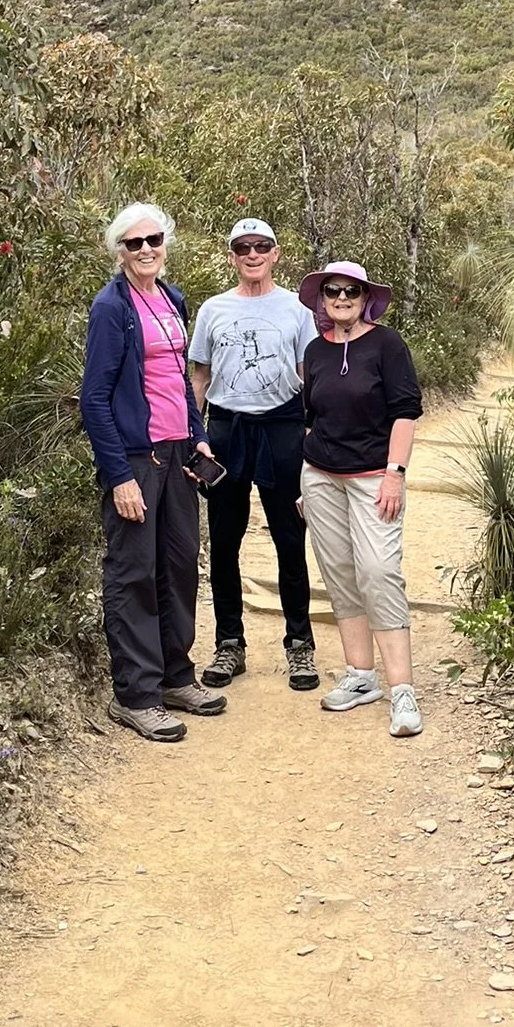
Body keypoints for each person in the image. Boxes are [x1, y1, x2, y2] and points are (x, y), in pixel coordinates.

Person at [80, 203, 227, 743]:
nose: (146, 250)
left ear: (166, 243)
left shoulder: (171, 299)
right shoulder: (111, 308)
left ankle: (174, 676)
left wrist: (199, 435)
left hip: (176, 454)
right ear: (119, 250)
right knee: (133, 572)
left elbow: (180, 381)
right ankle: (136, 695)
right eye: (134, 243)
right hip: (136, 460)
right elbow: (94, 399)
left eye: (153, 240)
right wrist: (118, 475)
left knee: (179, 564)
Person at [189, 217, 320, 694]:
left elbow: (312, 374)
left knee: (290, 536)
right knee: (224, 540)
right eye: (242, 247)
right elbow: (199, 376)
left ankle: (300, 646)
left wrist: (313, 431)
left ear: (275, 253)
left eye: (261, 246)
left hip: (283, 425)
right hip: (226, 429)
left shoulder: (297, 309)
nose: (252, 254)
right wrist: (194, 432)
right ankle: (229, 644)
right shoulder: (213, 310)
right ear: (231, 256)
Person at [297, 260, 425, 738]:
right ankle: (360, 676)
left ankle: (402, 690)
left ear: (365, 296)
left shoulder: (387, 345)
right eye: (333, 291)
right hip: (320, 477)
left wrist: (395, 475)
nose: (343, 298)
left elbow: (405, 413)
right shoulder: (314, 351)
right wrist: (304, 483)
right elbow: (310, 420)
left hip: (375, 477)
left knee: (378, 572)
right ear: (322, 298)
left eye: (352, 291)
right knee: (341, 573)